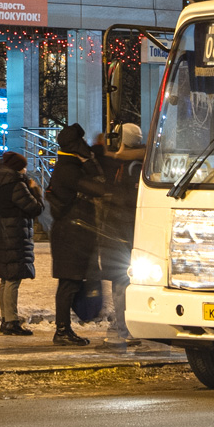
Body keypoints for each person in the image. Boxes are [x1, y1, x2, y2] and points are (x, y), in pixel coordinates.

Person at [47, 124, 103, 346]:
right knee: (68, 284)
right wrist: (89, 160)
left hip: (71, 235)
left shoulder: (67, 167)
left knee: (69, 283)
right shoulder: (69, 170)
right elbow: (99, 184)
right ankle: (62, 330)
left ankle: (63, 329)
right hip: (71, 236)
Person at [98, 123, 145, 346]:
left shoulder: (124, 165)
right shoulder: (137, 163)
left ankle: (124, 327)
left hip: (119, 229)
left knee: (121, 280)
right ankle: (126, 327)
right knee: (125, 280)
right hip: (127, 229)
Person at [0, 151, 43, 336]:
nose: (26, 169)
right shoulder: (17, 185)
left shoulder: (0, 184)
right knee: (13, 279)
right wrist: (35, 189)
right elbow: (35, 208)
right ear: (17, 167)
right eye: (24, 165)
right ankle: (11, 322)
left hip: (3, 235)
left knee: (6, 279)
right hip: (14, 235)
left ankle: (6, 319)